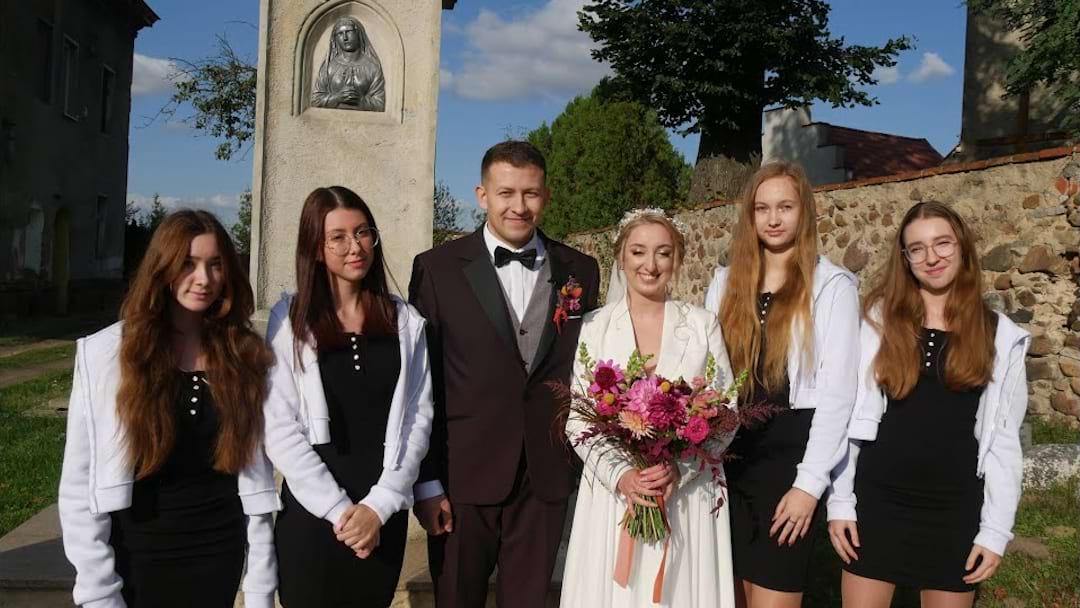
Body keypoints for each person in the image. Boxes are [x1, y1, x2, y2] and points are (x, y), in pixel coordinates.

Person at [408, 140, 601, 607]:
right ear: (482, 196)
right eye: (506, 193)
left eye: (530, 193)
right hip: (461, 476)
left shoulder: (580, 269)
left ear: (546, 196)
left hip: (544, 476)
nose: (518, 206)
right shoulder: (436, 269)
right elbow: (420, 384)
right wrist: (426, 482)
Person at [58, 210, 279, 608]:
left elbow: (255, 471)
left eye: (215, 264)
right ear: (162, 269)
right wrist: (98, 588)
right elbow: (78, 482)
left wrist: (260, 578)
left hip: (218, 553)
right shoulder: (109, 355)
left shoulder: (242, 354)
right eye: (188, 264)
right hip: (138, 554)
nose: (204, 278)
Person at [826, 202, 1030, 608]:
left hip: (954, 510)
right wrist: (841, 501)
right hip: (878, 503)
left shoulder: (1000, 336)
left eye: (942, 243)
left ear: (962, 247)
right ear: (905, 258)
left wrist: (995, 530)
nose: (931, 257)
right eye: (916, 249)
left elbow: (1004, 442)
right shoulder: (878, 321)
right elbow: (848, 417)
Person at [263, 186, 434, 607]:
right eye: (337, 237)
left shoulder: (405, 322)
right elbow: (279, 427)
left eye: (362, 232)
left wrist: (379, 506)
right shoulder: (291, 320)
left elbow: (418, 418)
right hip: (314, 514)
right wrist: (341, 511)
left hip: (382, 513)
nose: (355, 246)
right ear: (315, 249)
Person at [561, 208, 737, 607]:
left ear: (677, 259)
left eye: (663, 253)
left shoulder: (702, 325)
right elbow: (578, 417)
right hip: (614, 498)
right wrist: (622, 475)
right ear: (622, 258)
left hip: (686, 496)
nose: (650, 264)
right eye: (638, 252)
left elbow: (727, 412)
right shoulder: (594, 327)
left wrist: (681, 468)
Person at [703, 162, 860, 608]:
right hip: (728, 455)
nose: (773, 219)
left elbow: (839, 394)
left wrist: (809, 485)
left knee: (775, 590)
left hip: (790, 459)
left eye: (785, 207)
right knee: (727, 594)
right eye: (763, 208)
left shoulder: (832, 286)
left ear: (804, 211)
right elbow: (707, 376)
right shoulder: (725, 282)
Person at [311, 15, 386, 111]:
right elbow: (316, 100)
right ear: (335, 38)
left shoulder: (372, 67)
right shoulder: (329, 67)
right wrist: (337, 98)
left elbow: (379, 104)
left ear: (358, 33)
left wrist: (360, 100)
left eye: (349, 32)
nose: (345, 38)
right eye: (340, 34)